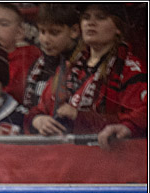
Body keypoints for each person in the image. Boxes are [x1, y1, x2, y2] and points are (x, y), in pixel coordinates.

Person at [27, 3, 147, 147]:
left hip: (106, 155)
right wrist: (38, 120)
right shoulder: (69, 67)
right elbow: (39, 109)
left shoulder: (129, 69)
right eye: (86, 17)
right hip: (63, 154)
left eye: (101, 17)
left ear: (118, 28)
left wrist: (80, 117)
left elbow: (139, 118)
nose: (91, 23)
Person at [22, 3, 81, 110]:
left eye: (54, 33)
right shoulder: (38, 65)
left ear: (74, 31)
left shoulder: (81, 66)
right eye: (42, 31)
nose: (46, 40)